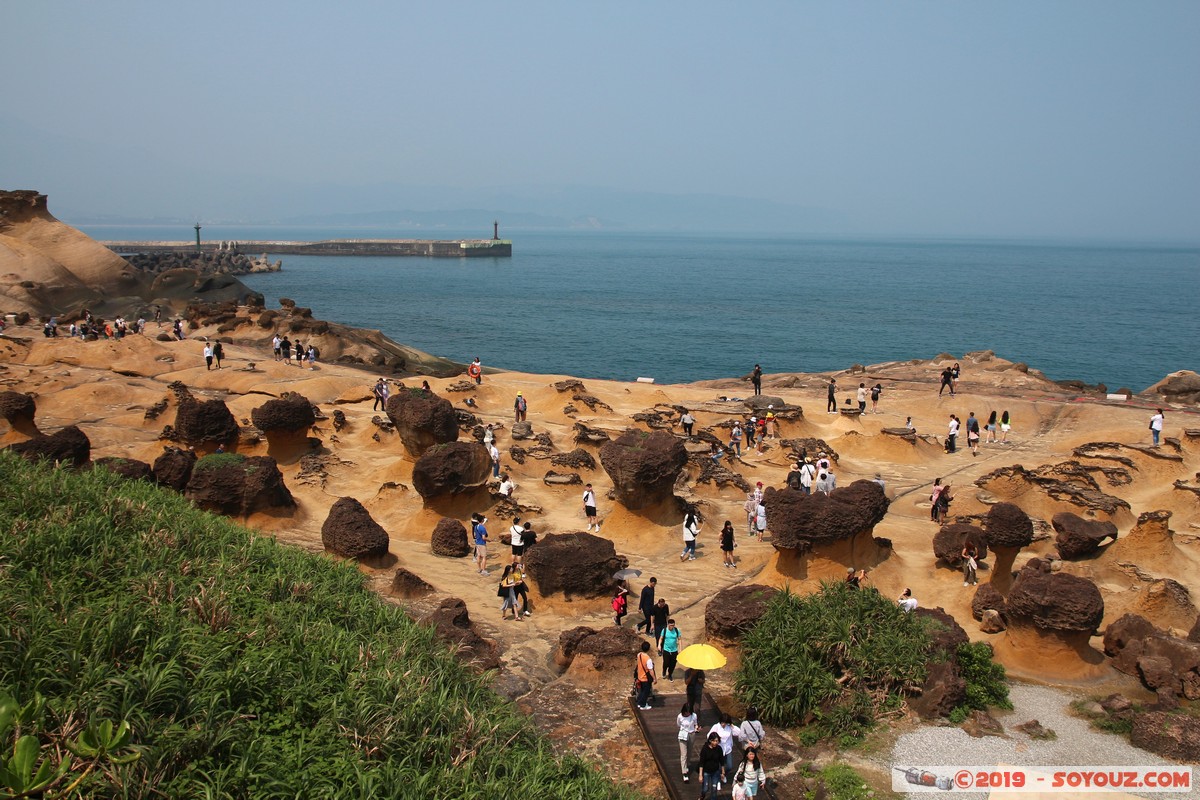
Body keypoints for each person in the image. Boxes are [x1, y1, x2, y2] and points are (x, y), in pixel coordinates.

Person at [708, 713, 745, 786]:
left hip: (727, 750)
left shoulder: (729, 727)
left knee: (729, 766)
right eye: (722, 722)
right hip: (718, 750)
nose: (723, 724)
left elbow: (739, 732)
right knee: (718, 766)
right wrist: (716, 740)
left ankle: (723, 774)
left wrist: (732, 725)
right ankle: (717, 780)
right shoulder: (716, 727)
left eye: (725, 723)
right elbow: (709, 736)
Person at [698, 732, 724, 800]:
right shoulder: (705, 749)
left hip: (715, 771)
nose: (716, 743)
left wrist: (723, 772)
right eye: (714, 741)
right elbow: (701, 762)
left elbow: (721, 761)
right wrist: (700, 775)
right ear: (710, 740)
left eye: (717, 741)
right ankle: (702, 795)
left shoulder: (719, 749)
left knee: (714, 788)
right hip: (706, 771)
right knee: (705, 789)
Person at [677, 702, 698, 783]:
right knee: (684, 754)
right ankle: (684, 772)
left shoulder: (694, 716)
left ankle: (687, 764)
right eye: (686, 712)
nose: (687, 714)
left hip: (692, 734)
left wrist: (696, 728)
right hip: (683, 735)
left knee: (689, 752)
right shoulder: (680, 716)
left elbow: (696, 724)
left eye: (689, 712)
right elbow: (678, 724)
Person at [635, 641, 656, 710]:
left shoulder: (639, 655)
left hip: (639, 676)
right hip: (645, 678)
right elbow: (651, 670)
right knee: (646, 692)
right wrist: (654, 678)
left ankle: (639, 702)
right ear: (648, 649)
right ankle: (643, 705)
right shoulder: (648, 659)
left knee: (642, 691)